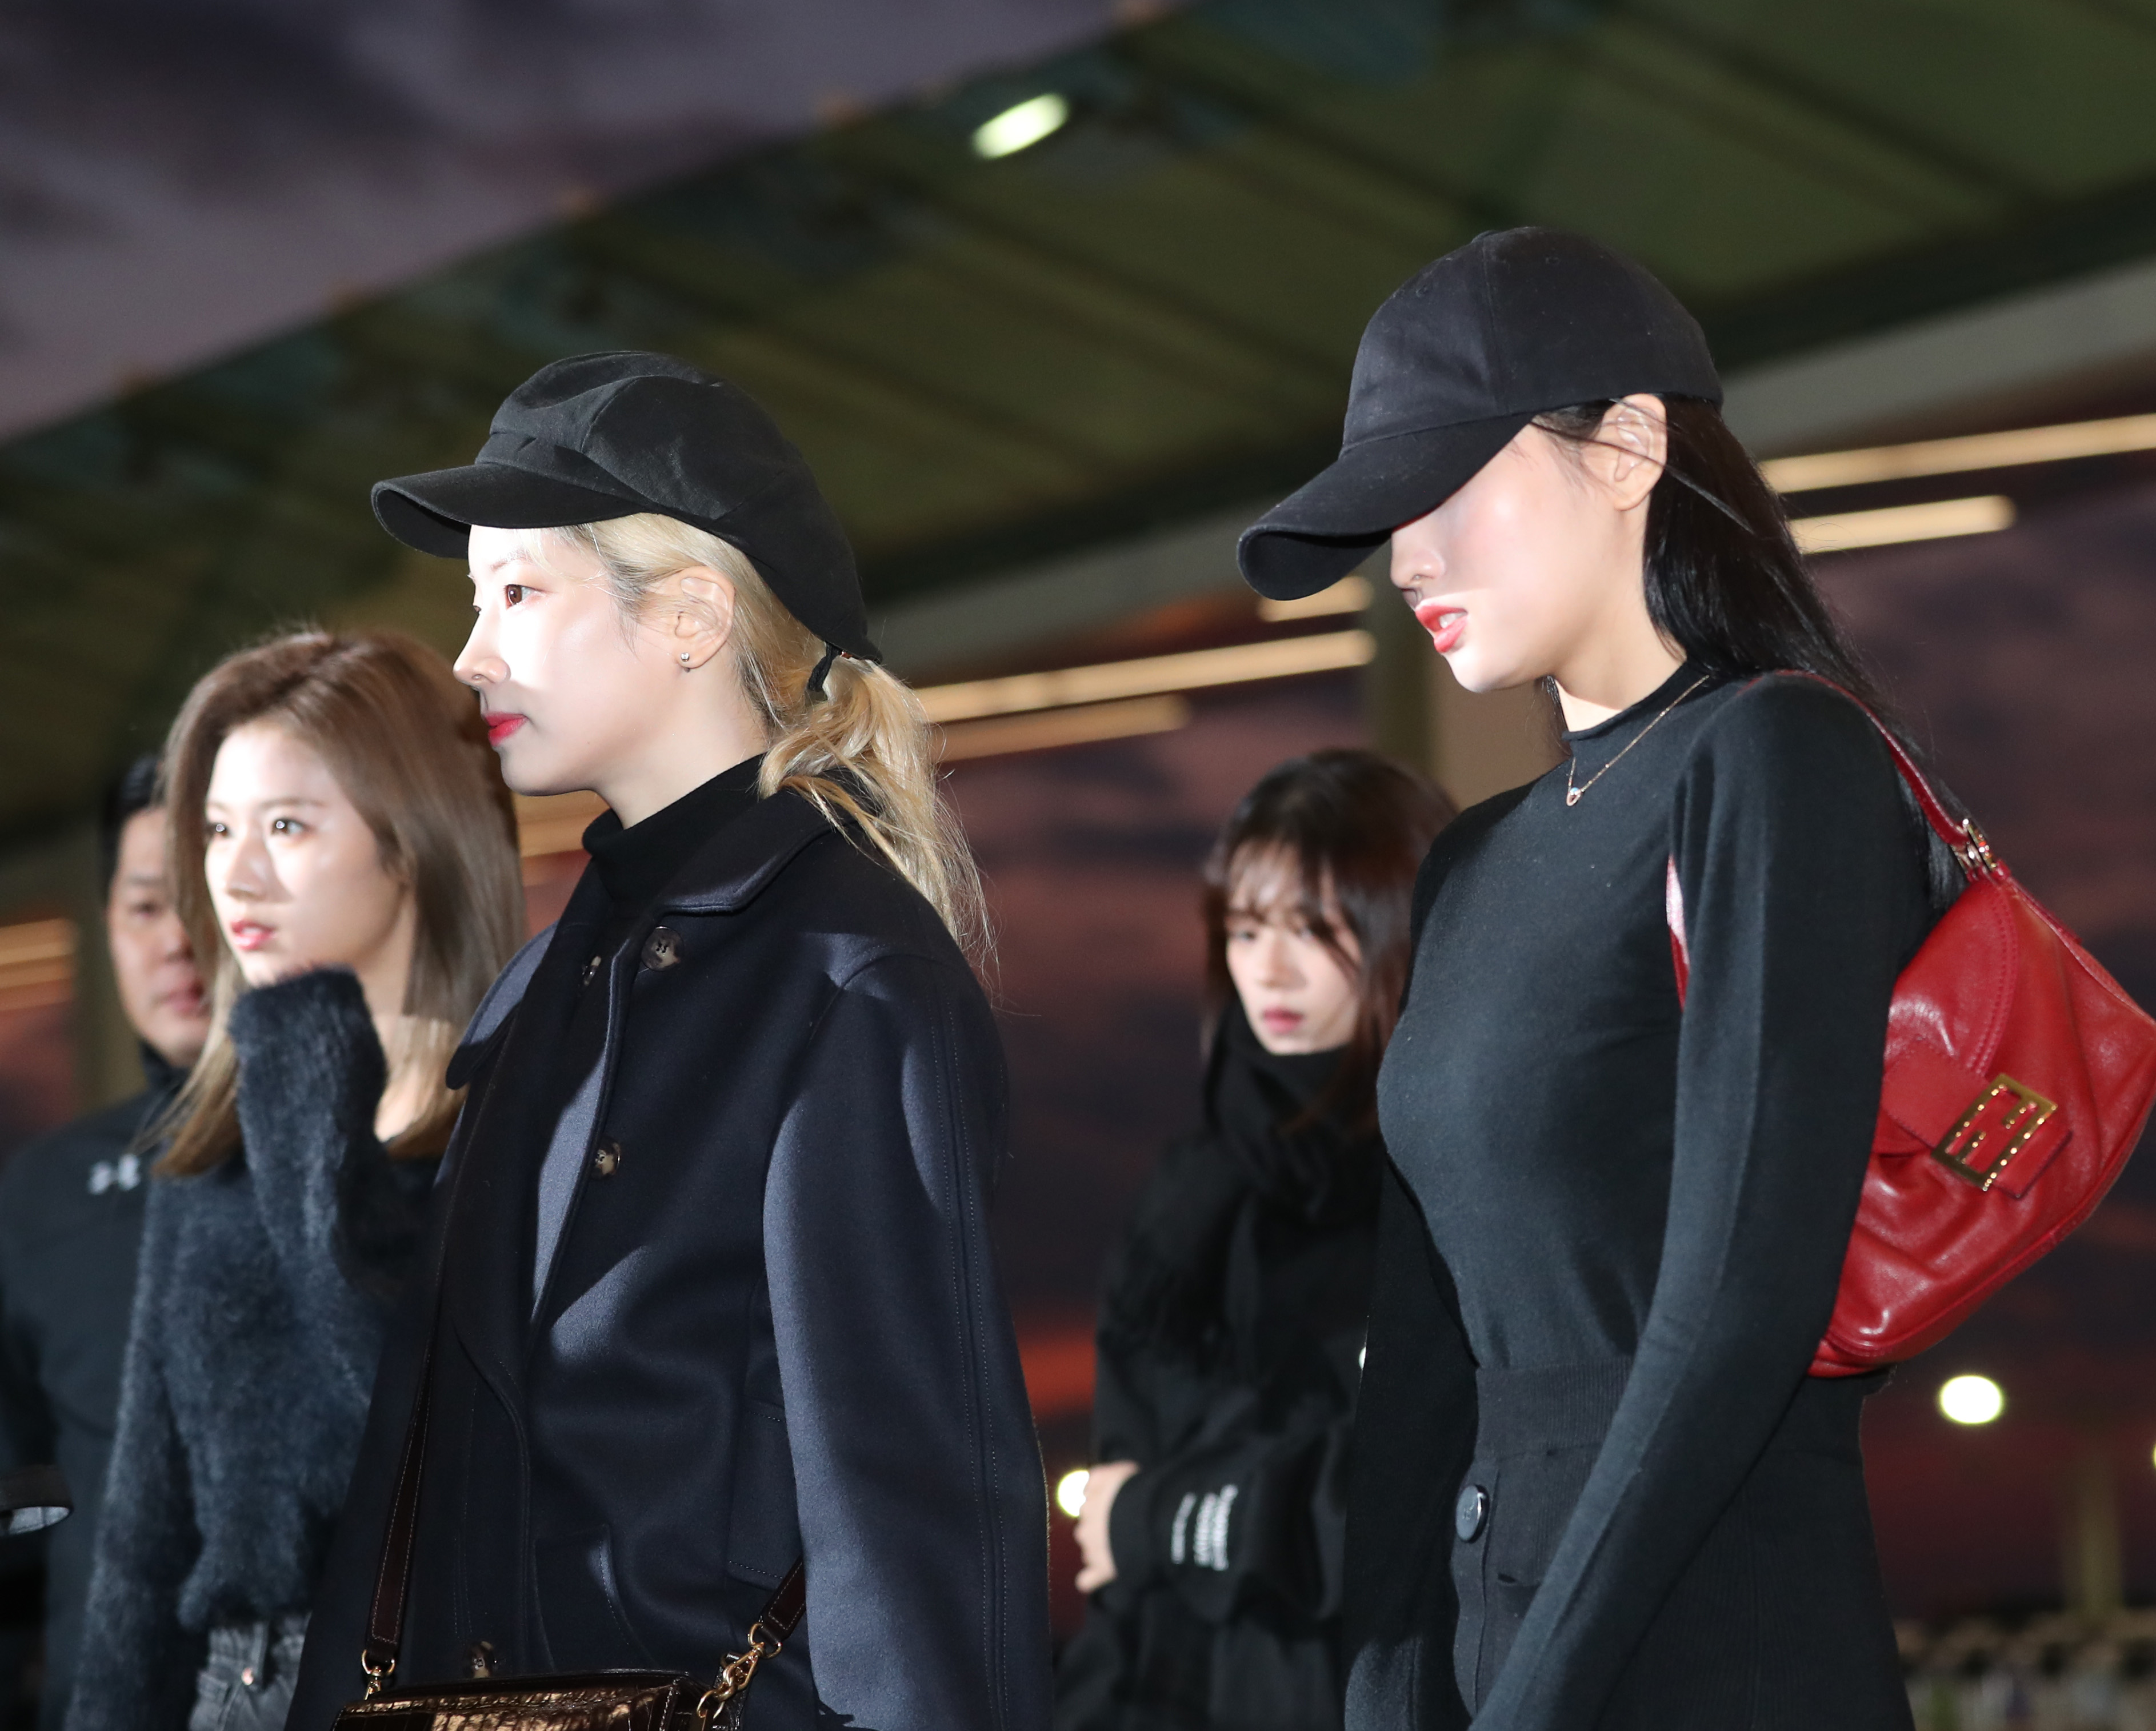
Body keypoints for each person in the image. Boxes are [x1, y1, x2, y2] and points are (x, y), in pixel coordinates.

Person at [1238, 229, 1963, 1729]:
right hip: (1496, 1646)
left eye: (1446, 490)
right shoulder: (1473, 860)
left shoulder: (1774, 759)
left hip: (1719, 1651)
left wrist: (1538, 1700)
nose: (1409, 560)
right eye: (1390, 520)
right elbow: (1422, 1350)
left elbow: (1740, 1306)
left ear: (1628, 445)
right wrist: (1389, 1688)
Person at [285, 353, 1051, 1731]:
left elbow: (914, 1527)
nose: (470, 654)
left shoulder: (848, 981)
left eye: (519, 593)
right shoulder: (547, 984)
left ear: (693, 613)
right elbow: (417, 1469)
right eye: (476, 601)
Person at [66, 631, 525, 1731]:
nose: (234, 875)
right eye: (219, 828)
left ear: (411, 840)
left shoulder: (523, 1127)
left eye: (286, 826)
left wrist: (304, 1063)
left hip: (460, 1684)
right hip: (243, 1692)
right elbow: (143, 1539)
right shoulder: (213, 1153)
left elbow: (412, 1442)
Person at [1055, 751, 1453, 1731]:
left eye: (1314, 928)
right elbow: (1114, 1544)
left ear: (1404, 922)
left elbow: (1411, 1503)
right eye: (1245, 928)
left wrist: (1167, 1516)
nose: (1268, 969)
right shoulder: (1189, 1198)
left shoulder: (1451, 1184)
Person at [0, 759, 213, 1731]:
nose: (176, 940)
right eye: (144, 906)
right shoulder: (44, 1189)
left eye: (203, 900)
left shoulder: (388, 1160)